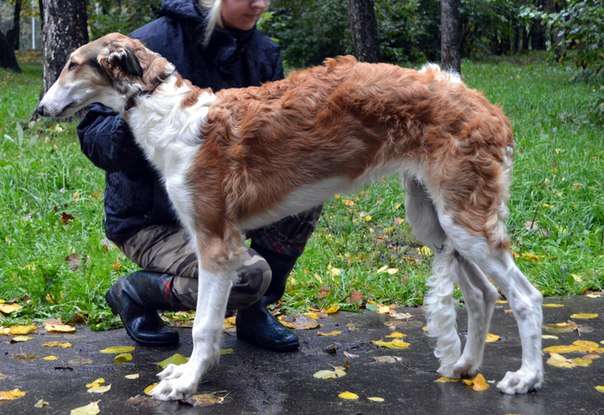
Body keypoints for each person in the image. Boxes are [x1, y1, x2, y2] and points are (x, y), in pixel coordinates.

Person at [77, 0, 322, 351]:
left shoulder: (264, 53)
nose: (261, 4)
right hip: (152, 219)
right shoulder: (145, 46)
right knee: (243, 278)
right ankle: (135, 292)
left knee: (308, 188)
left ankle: (256, 312)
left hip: (225, 202)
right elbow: (93, 136)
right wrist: (145, 116)